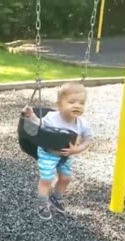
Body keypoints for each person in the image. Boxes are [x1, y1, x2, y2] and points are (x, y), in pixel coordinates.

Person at [22, 82, 93, 220]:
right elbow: (39, 125)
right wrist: (31, 116)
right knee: (47, 180)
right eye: (72, 102)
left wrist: (76, 149)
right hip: (48, 152)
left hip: (66, 155)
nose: (77, 105)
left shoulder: (82, 123)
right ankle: (42, 204)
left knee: (66, 178)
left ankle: (56, 198)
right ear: (60, 104)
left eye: (81, 103)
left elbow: (88, 139)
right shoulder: (52, 117)